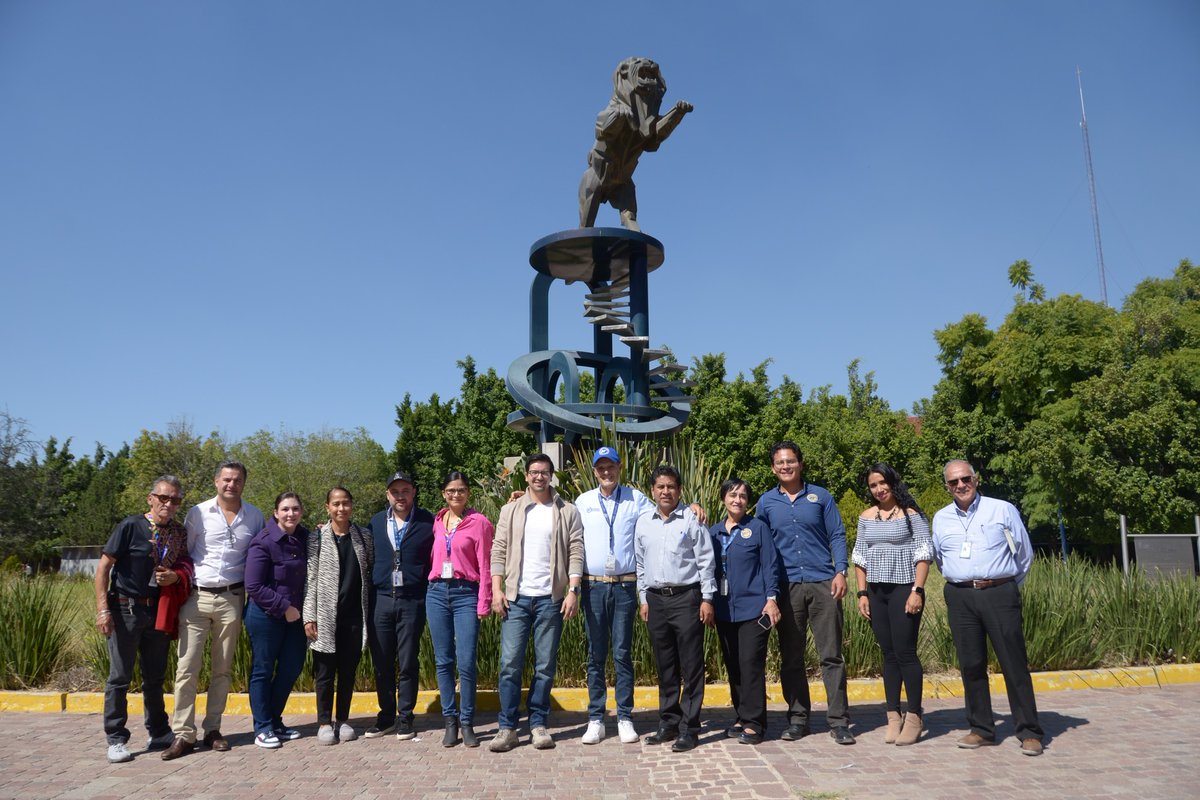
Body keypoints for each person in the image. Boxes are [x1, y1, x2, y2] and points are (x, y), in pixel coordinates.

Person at [931, 460, 1044, 756]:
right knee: (971, 664)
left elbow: (1024, 553)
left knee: (1013, 662)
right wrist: (962, 579)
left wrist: (1006, 585)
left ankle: (1029, 731)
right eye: (953, 482)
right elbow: (940, 558)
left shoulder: (1002, 509)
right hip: (960, 596)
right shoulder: (941, 518)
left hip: (999, 593)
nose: (960, 485)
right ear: (947, 487)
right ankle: (981, 728)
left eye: (965, 479)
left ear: (976, 479)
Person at [163, 461, 265, 760]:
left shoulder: (254, 516)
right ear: (216, 481)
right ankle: (183, 734)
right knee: (187, 668)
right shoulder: (198, 513)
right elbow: (186, 554)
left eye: (237, 480)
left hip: (232, 598)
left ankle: (212, 729)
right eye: (226, 479)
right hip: (196, 597)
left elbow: (261, 552)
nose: (231, 484)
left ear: (244, 483)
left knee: (222, 669)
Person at [756, 441, 855, 745]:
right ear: (773, 468)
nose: (785, 466)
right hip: (786, 587)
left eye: (790, 461)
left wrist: (841, 570)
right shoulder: (766, 502)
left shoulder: (820, 497)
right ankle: (798, 719)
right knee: (792, 657)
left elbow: (837, 534)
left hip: (824, 582)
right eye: (780, 462)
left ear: (800, 463)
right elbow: (760, 544)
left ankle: (839, 722)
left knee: (831, 656)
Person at [488, 453, 584, 752]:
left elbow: (576, 550)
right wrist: (496, 590)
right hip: (516, 599)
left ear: (551, 475)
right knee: (509, 664)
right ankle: (507, 727)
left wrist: (573, 590)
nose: (539, 476)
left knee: (544, 666)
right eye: (533, 472)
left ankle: (538, 724)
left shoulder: (567, 510)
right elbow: (498, 549)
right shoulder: (511, 509)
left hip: (550, 599)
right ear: (526, 476)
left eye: (544, 472)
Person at [95, 476, 193, 763]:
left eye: (175, 500)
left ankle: (159, 731)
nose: (169, 504)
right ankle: (116, 738)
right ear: (150, 498)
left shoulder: (178, 533)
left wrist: (176, 576)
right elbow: (103, 569)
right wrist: (103, 610)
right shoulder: (130, 526)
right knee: (120, 677)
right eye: (163, 498)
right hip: (125, 609)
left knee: (155, 677)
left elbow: (185, 564)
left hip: (158, 611)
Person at [573, 445, 654, 745]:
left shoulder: (635, 499)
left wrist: (691, 507)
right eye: (601, 468)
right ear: (595, 471)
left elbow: (663, 511)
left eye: (611, 467)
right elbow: (562, 522)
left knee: (622, 652)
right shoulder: (583, 501)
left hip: (624, 586)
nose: (606, 472)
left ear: (620, 468)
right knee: (595, 654)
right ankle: (596, 718)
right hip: (593, 586)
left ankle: (624, 717)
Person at [635, 464, 716, 753]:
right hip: (656, 600)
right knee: (665, 664)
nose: (666, 491)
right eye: (660, 486)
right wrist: (643, 599)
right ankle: (668, 722)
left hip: (686, 598)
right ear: (652, 491)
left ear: (680, 490)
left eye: (671, 486)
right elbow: (640, 563)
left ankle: (689, 728)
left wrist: (707, 599)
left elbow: (706, 560)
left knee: (691, 665)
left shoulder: (692, 520)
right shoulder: (644, 522)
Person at [851, 463, 933, 746]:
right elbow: (860, 556)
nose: (879, 489)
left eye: (882, 483)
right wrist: (862, 593)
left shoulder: (912, 515)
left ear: (893, 482)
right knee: (888, 654)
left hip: (904, 589)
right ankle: (893, 715)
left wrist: (917, 590)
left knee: (905, 653)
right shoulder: (866, 517)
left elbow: (924, 552)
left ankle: (914, 716)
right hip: (876, 592)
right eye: (873, 485)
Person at [710, 478, 781, 745]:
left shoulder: (758, 528)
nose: (737, 500)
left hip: (754, 609)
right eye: (732, 495)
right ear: (723, 499)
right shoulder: (714, 532)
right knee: (734, 665)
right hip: (724, 610)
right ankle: (741, 715)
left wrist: (771, 599)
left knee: (750, 664)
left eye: (742, 495)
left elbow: (770, 566)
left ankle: (755, 723)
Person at [364, 471, 434, 740]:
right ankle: (386, 717)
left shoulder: (428, 521)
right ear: (387, 495)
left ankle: (405, 717)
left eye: (405, 490)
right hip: (381, 599)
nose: (400, 496)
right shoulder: (375, 522)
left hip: (412, 600)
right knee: (381, 662)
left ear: (413, 492)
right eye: (395, 492)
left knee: (407, 661)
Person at [426, 471, 493, 748]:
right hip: (436, 593)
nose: (456, 494)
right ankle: (450, 721)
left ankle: (467, 722)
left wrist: (484, 601)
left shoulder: (480, 523)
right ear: (444, 493)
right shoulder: (438, 520)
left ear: (468, 493)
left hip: (466, 594)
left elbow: (486, 564)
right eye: (451, 490)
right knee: (443, 661)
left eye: (461, 490)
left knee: (465, 661)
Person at [304, 486, 374, 745]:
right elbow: (310, 578)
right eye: (335, 504)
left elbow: (369, 569)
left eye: (345, 503)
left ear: (352, 505)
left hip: (354, 615)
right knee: (324, 672)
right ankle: (324, 722)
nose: (341, 508)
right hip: (325, 615)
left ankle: (343, 720)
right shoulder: (317, 538)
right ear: (328, 507)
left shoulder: (363, 536)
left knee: (347, 672)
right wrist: (309, 615)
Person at [243, 492, 310, 749]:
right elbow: (253, 585)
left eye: (295, 509)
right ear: (275, 512)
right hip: (266, 616)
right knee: (263, 670)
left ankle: (275, 721)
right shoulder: (263, 542)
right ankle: (262, 727)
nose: (290, 514)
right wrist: (284, 608)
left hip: (295, 617)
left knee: (291, 667)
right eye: (285, 509)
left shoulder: (304, 538)